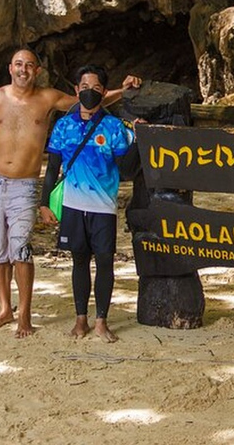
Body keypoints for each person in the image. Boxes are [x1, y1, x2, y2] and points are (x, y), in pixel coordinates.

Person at [0, 48, 141, 338]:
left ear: (37, 70)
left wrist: (124, 92)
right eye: (18, 64)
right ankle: (5, 308)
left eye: (29, 65)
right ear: (9, 68)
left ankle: (25, 315)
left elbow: (86, 100)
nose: (23, 70)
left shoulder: (49, 98)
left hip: (26, 183)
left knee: (21, 247)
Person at [39, 65, 135, 343]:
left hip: (103, 207)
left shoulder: (114, 127)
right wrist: (44, 203)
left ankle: (101, 321)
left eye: (95, 89)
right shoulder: (63, 126)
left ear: (104, 92)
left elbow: (126, 169)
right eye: (84, 87)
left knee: (105, 263)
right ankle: (80, 320)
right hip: (72, 206)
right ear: (75, 90)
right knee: (79, 261)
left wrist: (137, 139)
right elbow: (52, 168)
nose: (88, 92)